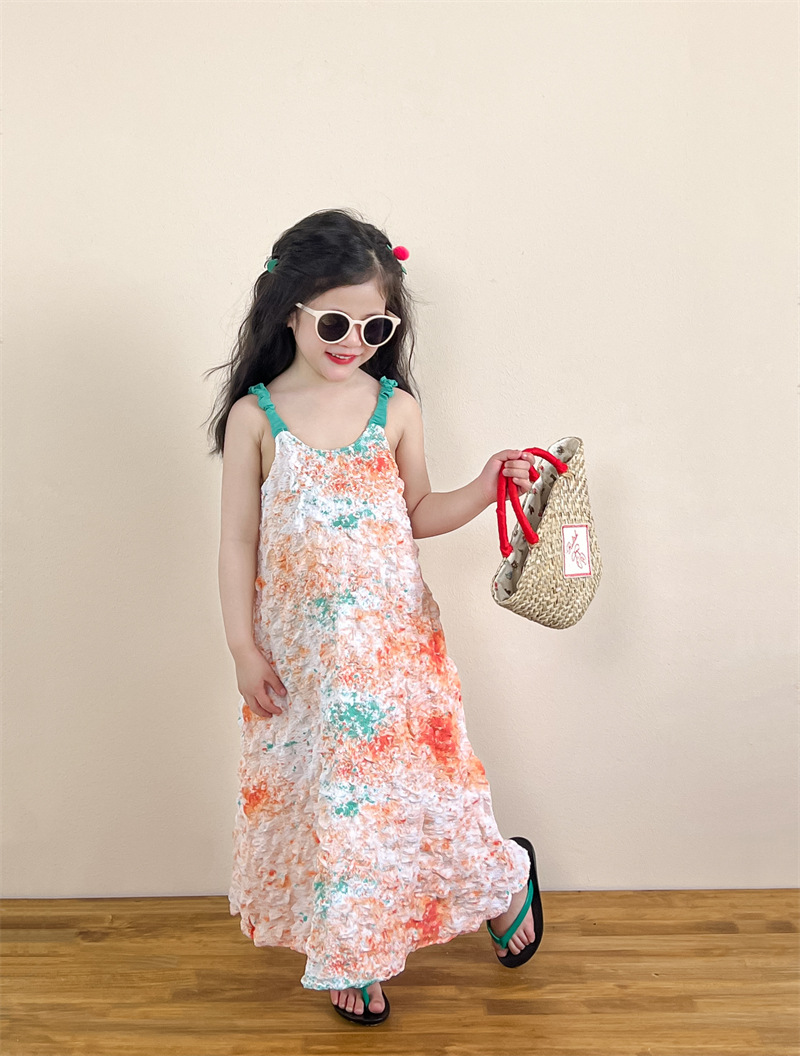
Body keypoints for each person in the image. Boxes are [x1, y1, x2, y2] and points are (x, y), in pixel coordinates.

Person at [207, 208, 544, 1026]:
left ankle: (503, 879)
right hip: (306, 664)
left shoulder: (394, 409)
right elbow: (237, 543)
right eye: (334, 322)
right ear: (288, 309)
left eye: (374, 326)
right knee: (333, 803)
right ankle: (350, 948)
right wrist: (242, 648)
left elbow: (417, 512)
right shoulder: (257, 418)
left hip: (396, 654)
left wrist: (485, 486)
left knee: (425, 793)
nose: (352, 341)